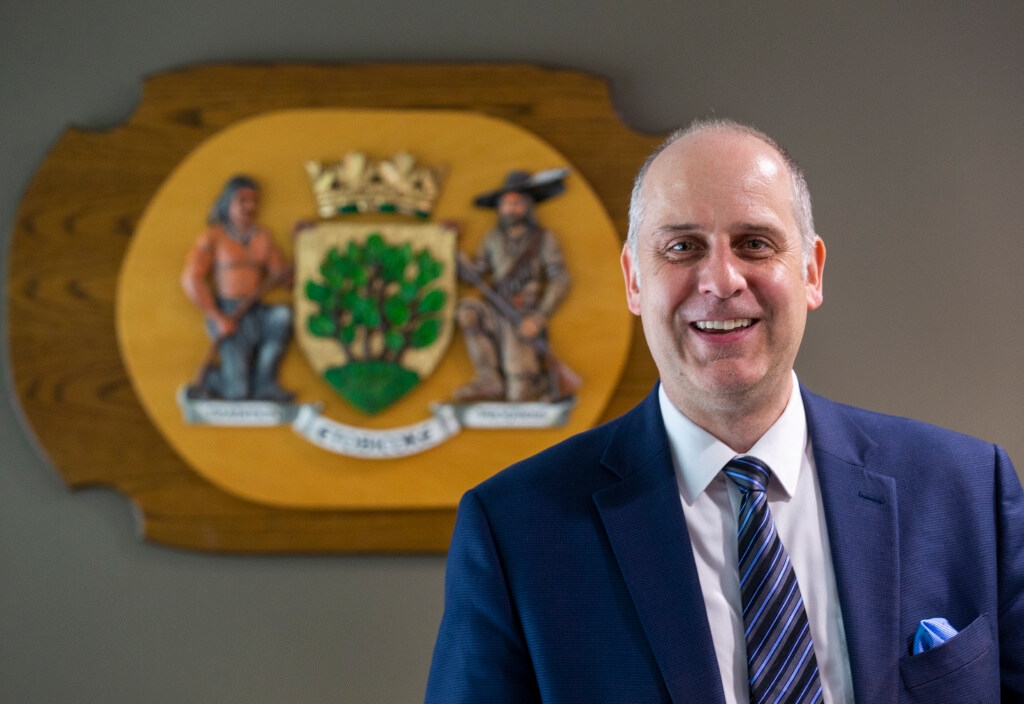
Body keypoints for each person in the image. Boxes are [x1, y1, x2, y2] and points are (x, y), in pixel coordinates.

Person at [426, 120, 1024, 703]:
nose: (721, 279)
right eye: (682, 247)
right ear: (634, 281)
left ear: (811, 271)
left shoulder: (970, 492)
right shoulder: (515, 531)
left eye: (754, 244)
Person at [452, 169, 573, 403]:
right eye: (506, 204)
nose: (510, 209)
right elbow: (473, 273)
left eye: (516, 203)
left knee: (520, 395)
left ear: (527, 206)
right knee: (467, 310)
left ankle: (541, 381)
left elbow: (560, 279)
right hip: (495, 309)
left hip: (523, 315)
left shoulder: (543, 238)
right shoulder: (491, 237)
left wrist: (539, 317)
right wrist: (452, 247)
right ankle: (488, 378)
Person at [181, 175, 294, 402]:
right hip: (227, 313)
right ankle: (212, 379)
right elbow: (191, 279)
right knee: (238, 394)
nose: (249, 207)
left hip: (254, 310)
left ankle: (265, 382)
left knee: (283, 315)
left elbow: (283, 278)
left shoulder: (263, 236)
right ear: (227, 202)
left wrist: (301, 247)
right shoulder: (213, 237)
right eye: (242, 200)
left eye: (253, 201)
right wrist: (217, 317)